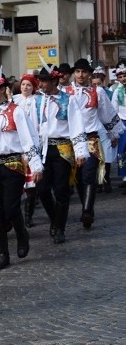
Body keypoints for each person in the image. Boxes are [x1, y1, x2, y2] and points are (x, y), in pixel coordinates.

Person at [0, 70, 43, 270]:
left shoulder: (17, 111)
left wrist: (36, 164)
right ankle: (2, 252)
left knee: (12, 207)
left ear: (2, 89)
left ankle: (22, 233)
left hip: (13, 164)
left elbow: (29, 138)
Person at [64, 58, 123, 227]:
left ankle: (87, 211)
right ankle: (86, 206)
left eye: (84, 72)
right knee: (79, 178)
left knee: (89, 175)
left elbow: (106, 113)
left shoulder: (98, 92)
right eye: (77, 71)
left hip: (91, 139)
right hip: (72, 141)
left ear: (89, 74)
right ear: (74, 74)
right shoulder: (65, 92)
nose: (80, 75)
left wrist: (114, 133)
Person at [34, 65, 88, 244]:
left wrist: (80, 150)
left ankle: (59, 228)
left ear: (55, 81)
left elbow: (76, 125)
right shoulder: (37, 101)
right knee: (42, 189)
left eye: (45, 81)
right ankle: (54, 218)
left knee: (61, 190)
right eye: (40, 80)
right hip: (43, 149)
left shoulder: (68, 100)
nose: (41, 84)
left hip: (63, 148)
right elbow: (32, 128)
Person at [12, 74, 40, 228]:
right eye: (23, 84)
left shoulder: (36, 101)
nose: (25, 87)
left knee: (31, 183)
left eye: (29, 85)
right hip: (17, 144)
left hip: (31, 142)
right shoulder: (15, 100)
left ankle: (29, 215)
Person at [111, 64, 126, 190]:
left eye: (125, 75)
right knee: (122, 150)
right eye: (120, 76)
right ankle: (124, 176)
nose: (123, 78)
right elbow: (114, 109)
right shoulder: (117, 91)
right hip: (122, 122)